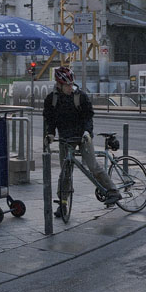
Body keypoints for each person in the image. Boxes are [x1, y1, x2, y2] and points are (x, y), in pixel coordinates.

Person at [43, 66, 120, 217]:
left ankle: (113, 191)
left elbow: (88, 116)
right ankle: (63, 204)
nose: (70, 88)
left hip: (83, 136)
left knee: (93, 166)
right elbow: (50, 120)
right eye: (67, 85)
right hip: (65, 138)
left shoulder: (80, 97)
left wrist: (87, 132)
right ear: (59, 85)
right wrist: (50, 134)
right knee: (65, 172)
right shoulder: (51, 99)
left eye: (71, 84)